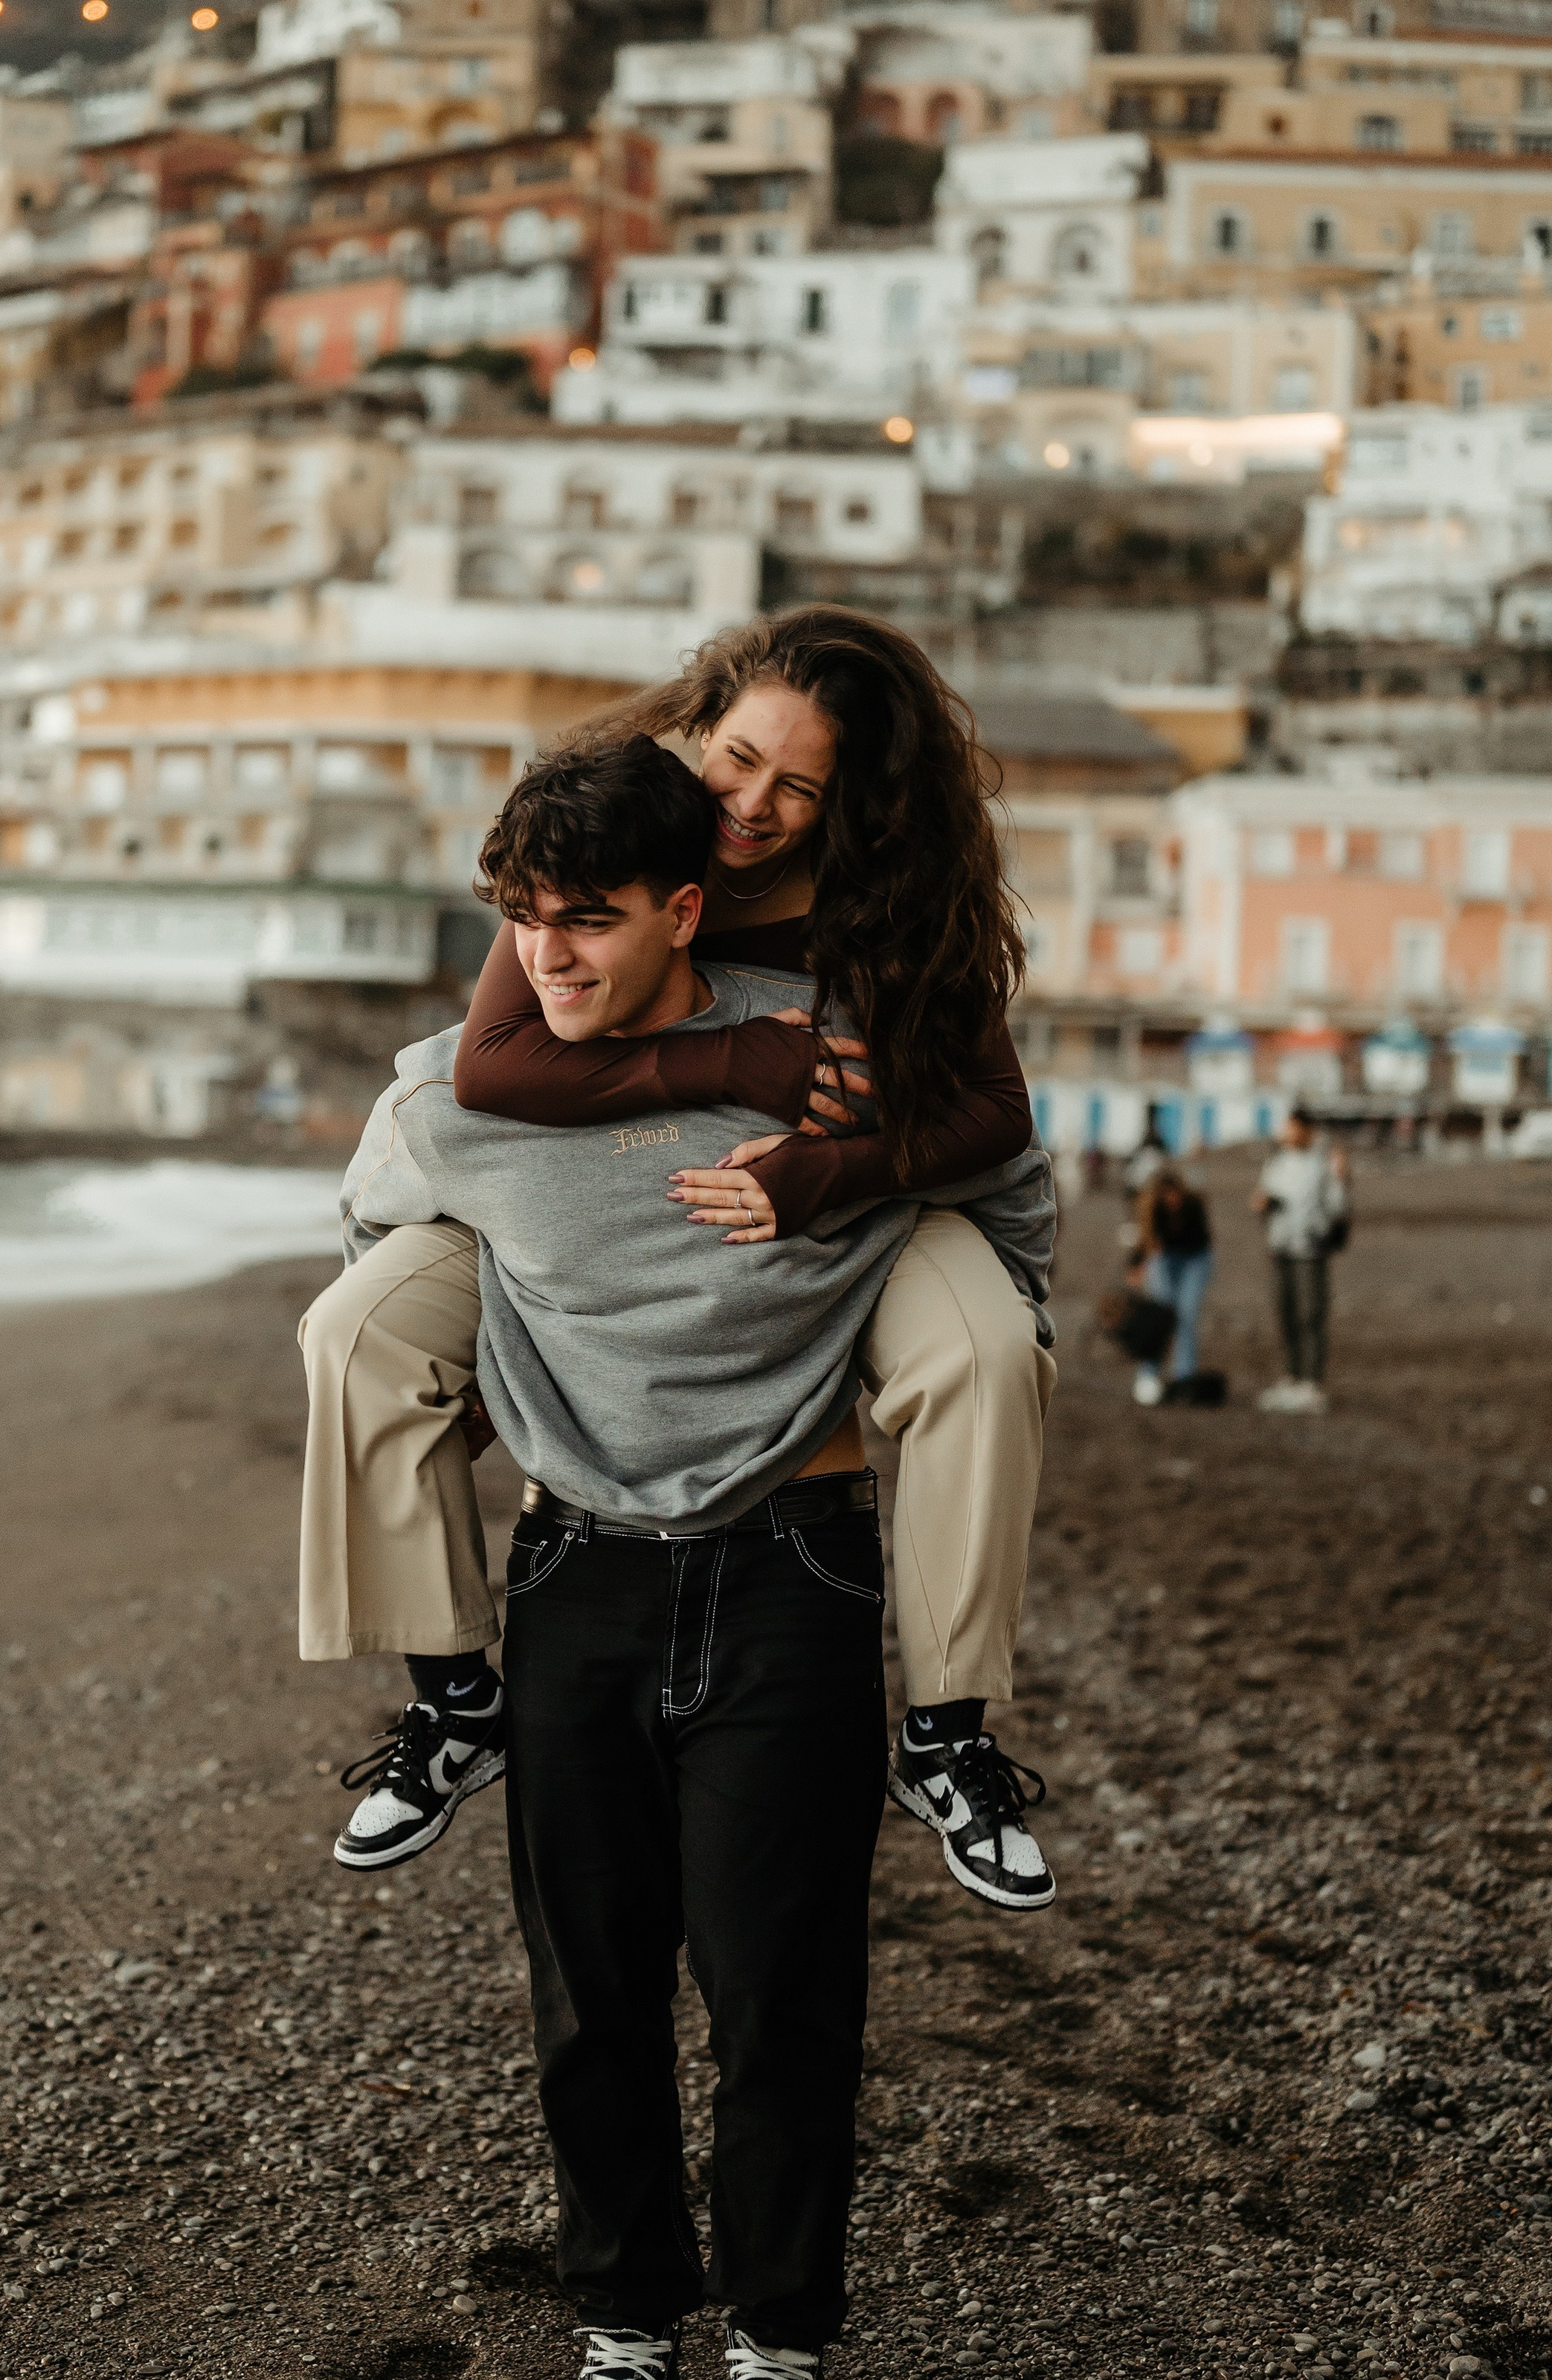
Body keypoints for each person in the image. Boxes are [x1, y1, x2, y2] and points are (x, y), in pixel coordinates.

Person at [323, 744, 1049, 2380]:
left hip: (795, 1568)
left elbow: (1000, 1180)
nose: (548, 954)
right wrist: (506, 1342)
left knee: (779, 1994)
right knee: (590, 1992)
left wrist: (927, 1286)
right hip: (572, 1574)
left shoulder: (824, 1061)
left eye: (585, 919)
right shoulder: (452, 1093)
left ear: (685, 910)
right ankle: (623, 2322)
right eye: (521, 922)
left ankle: (782, 2338)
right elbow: (381, 1251)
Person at [300, 606, 1059, 1914]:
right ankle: (454, 1698)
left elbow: (995, 1114)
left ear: (852, 799)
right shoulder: (618, 824)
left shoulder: (891, 902)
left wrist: (833, 1170)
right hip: (566, 1189)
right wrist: (734, 1060)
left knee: (984, 1353)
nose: (752, 802)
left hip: (854, 1199)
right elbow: (494, 1063)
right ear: (701, 722)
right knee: (353, 1335)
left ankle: (947, 1732)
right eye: (740, 757)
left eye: (798, 786)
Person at [1252, 1110, 1350, 1414]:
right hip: (1281, 1247)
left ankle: (1312, 1383)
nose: (1286, 1133)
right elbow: (1264, 1197)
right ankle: (1292, 1377)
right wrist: (1265, 1204)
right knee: (1287, 1314)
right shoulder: (1276, 1163)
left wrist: (1342, 1180)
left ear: (1307, 1130)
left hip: (1310, 1250)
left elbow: (1337, 1205)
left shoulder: (1322, 1164)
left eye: (1292, 1128)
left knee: (1311, 1315)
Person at [1130, 1166, 1214, 1406]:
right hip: (1166, 1259)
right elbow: (1146, 1239)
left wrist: (1162, 1241)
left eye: (1174, 1194)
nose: (1172, 1199)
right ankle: (1148, 1374)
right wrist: (1136, 1265)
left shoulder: (1194, 1205)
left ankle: (1184, 1376)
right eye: (1166, 1195)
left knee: (1186, 1315)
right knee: (1160, 1317)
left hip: (1195, 1260)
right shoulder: (1153, 1209)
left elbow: (1197, 1239)